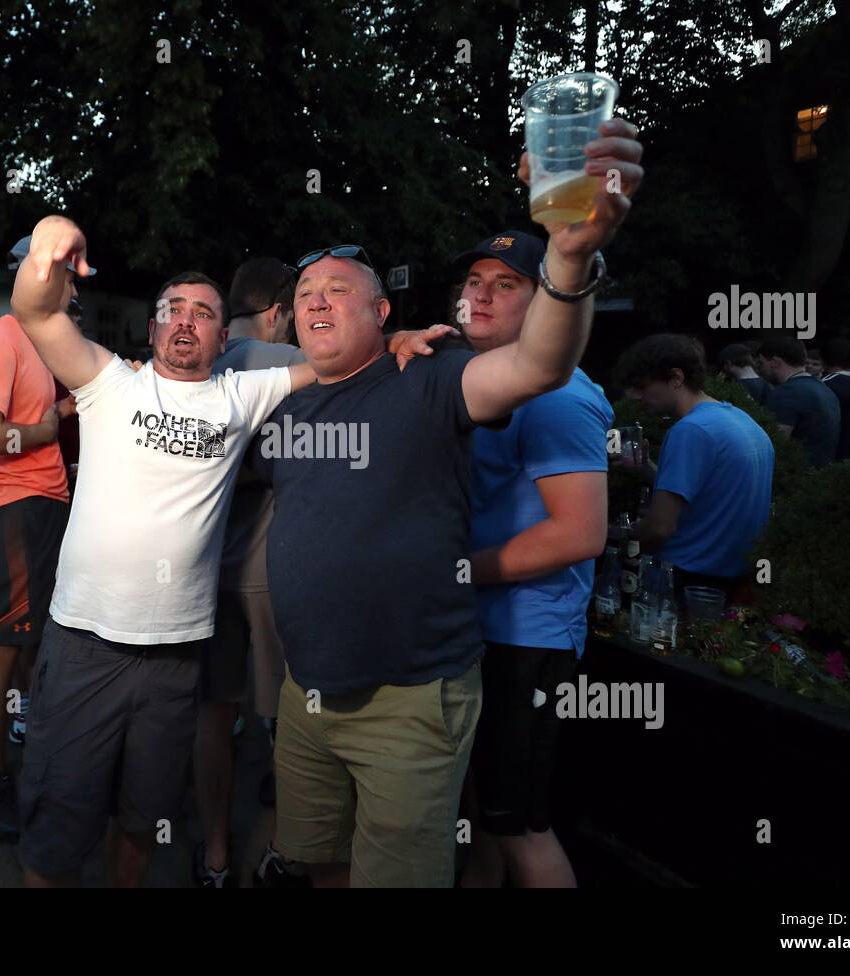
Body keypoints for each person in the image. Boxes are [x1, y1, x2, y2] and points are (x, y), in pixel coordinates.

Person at [250, 120, 643, 888]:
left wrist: (569, 256)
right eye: (305, 295)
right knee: (315, 859)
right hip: (307, 692)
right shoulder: (285, 403)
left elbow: (538, 365)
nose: (319, 303)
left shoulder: (429, 379)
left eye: (339, 291)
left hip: (410, 694)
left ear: (382, 315)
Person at [6, 218, 445, 888]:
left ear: (224, 335)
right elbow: (33, 309)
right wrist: (50, 242)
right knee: (57, 823)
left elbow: (338, 361)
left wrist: (395, 340)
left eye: (203, 313)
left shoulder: (242, 393)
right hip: (84, 644)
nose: (186, 322)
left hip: (178, 656)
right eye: (172, 311)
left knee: (144, 816)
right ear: (152, 329)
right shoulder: (106, 382)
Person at [449, 230, 612, 889]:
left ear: (545, 296)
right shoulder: (481, 376)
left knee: (522, 828)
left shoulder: (557, 396)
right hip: (486, 631)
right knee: (488, 817)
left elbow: (578, 533)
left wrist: (456, 569)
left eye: (506, 283)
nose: (481, 294)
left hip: (526, 638)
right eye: (474, 280)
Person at [0, 236, 78, 843]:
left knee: (30, 640)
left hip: (45, 504)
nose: (75, 289)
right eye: (67, 278)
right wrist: (45, 427)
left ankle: (32, 743)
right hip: (15, 507)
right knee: (2, 643)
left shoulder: (40, 343)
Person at [194, 256, 304, 888]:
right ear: (277, 312)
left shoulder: (197, 358)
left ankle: (212, 854)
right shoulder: (282, 362)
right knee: (285, 716)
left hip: (199, 569)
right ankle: (285, 850)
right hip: (268, 566)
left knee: (213, 710)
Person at [613, 334, 774, 600]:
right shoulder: (740, 420)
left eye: (642, 386)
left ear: (676, 378)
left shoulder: (690, 431)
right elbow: (711, 495)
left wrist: (617, 537)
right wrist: (649, 471)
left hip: (685, 578)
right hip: (732, 579)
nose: (635, 396)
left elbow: (660, 527)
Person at [759, 335, 840, 466]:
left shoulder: (787, 393)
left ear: (775, 362)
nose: (760, 369)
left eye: (761, 363)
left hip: (794, 475)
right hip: (819, 476)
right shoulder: (826, 390)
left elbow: (774, 443)